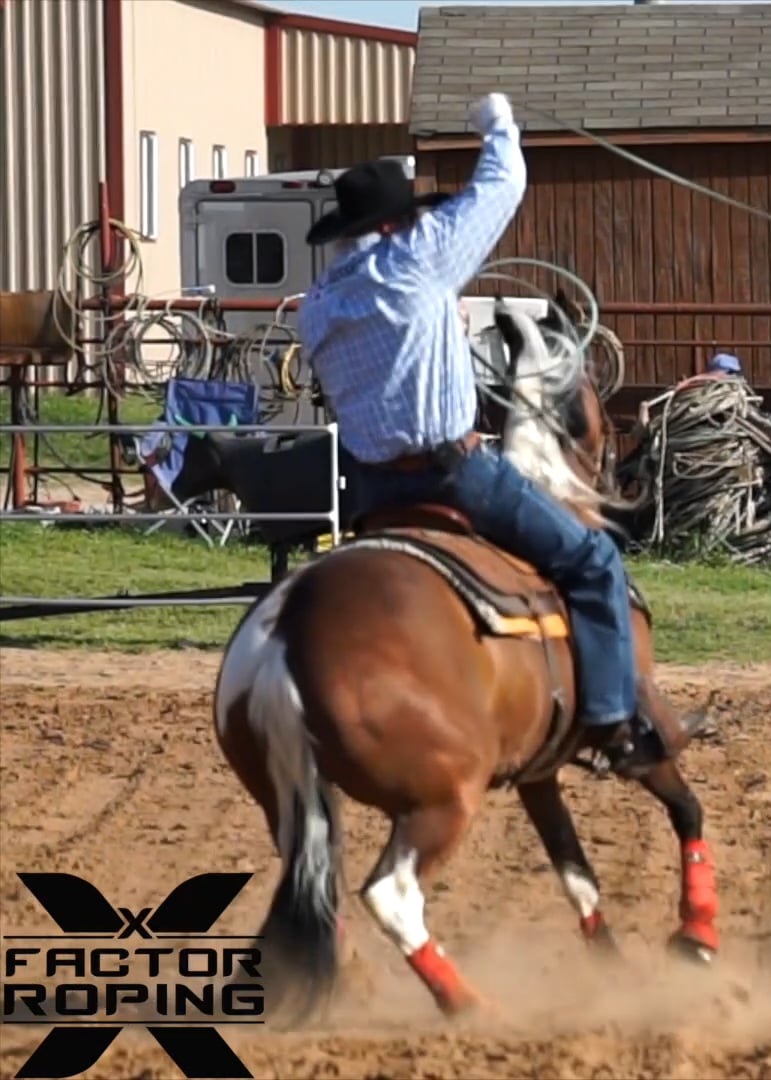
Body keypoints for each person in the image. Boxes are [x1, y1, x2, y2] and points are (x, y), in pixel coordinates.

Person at [297, 91, 667, 776]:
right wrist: (497, 123)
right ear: (394, 225)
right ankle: (611, 720)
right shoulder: (416, 260)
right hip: (452, 473)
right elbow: (503, 183)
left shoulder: (317, 307)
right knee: (592, 561)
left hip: (371, 490)